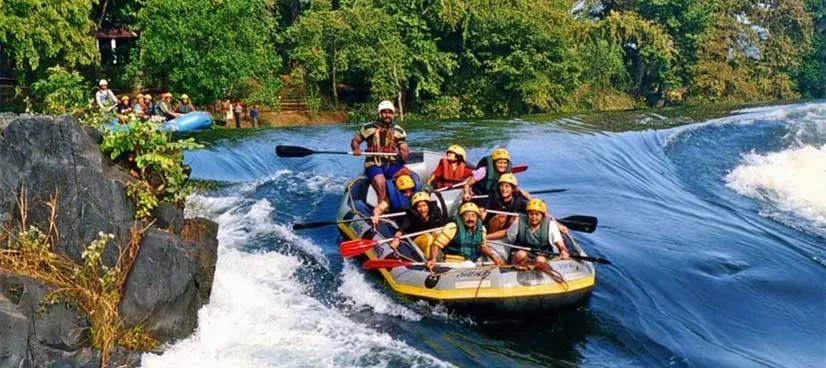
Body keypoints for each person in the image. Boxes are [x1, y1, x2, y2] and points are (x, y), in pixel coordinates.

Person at [351, 100, 410, 206]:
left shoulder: (398, 130)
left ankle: (408, 204)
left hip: (391, 164)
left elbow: (404, 148)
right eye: (384, 112)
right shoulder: (368, 128)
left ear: (393, 114)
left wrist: (404, 154)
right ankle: (381, 212)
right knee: (380, 183)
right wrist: (356, 148)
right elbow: (356, 140)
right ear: (379, 113)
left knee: (413, 177)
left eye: (390, 112)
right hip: (373, 164)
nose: (387, 115)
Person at [426, 202, 504, 271]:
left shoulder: (482, 230)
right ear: (461, 217)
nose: (470, 218)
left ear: (477, 218)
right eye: (466, 215)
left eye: (473, 215)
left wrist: (494, 257)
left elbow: (482, 246)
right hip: (452, 263)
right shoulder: (452, 227)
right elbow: (436, 245)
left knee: (472, 265)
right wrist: (433, 259)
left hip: (473, 262)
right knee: (468, 265)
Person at [503, 199, 570, 270]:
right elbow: (506, 233)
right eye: (531, 214)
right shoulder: (519, 222)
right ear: (527, 214)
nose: (533, 217)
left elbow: (561, 245)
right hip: (522, 253)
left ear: (543, 216)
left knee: (540, 260)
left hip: (542, 254)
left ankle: (533, 267)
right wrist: (489, 237)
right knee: (521, 254)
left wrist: (563, 251)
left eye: (537, 214)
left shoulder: (551, 225)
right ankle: (517, 267)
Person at [389, 191, 447, 259]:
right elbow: (402, 229)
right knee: (428, 238)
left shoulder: (435, 212)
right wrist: (396, 239)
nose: (422, 209)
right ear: (415, 208)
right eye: (419, 206)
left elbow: (444, 223)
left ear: (428, 205)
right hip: (418, 240)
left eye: (424, 205)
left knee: (439, 233)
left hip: (432, 238)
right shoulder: (411, 215)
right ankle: (429, 260)